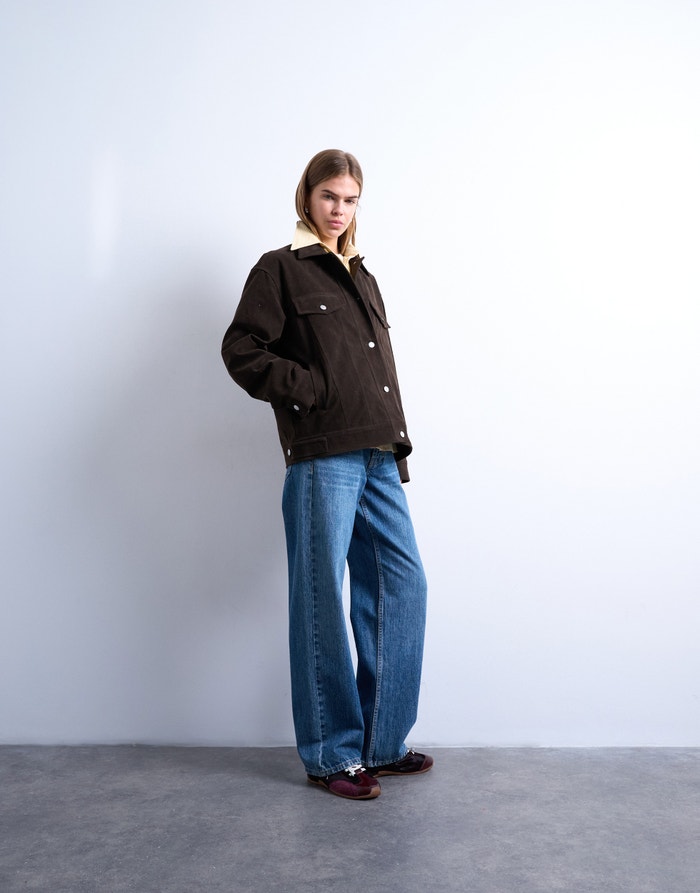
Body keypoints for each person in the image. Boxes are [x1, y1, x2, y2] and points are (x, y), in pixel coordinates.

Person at [221, 149, 431, 800]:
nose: (339, 210)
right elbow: (241, 349)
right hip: (322, 454)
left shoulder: (363, 275)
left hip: (377, 452)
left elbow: (378, 369)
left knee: (403, 585)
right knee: (320, 599)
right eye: (329, 197)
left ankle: (381, 743)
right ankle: (331, 755)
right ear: (307, 197)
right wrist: (309, 390)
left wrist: (396, 446)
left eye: (350, 199)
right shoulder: (280, 269)